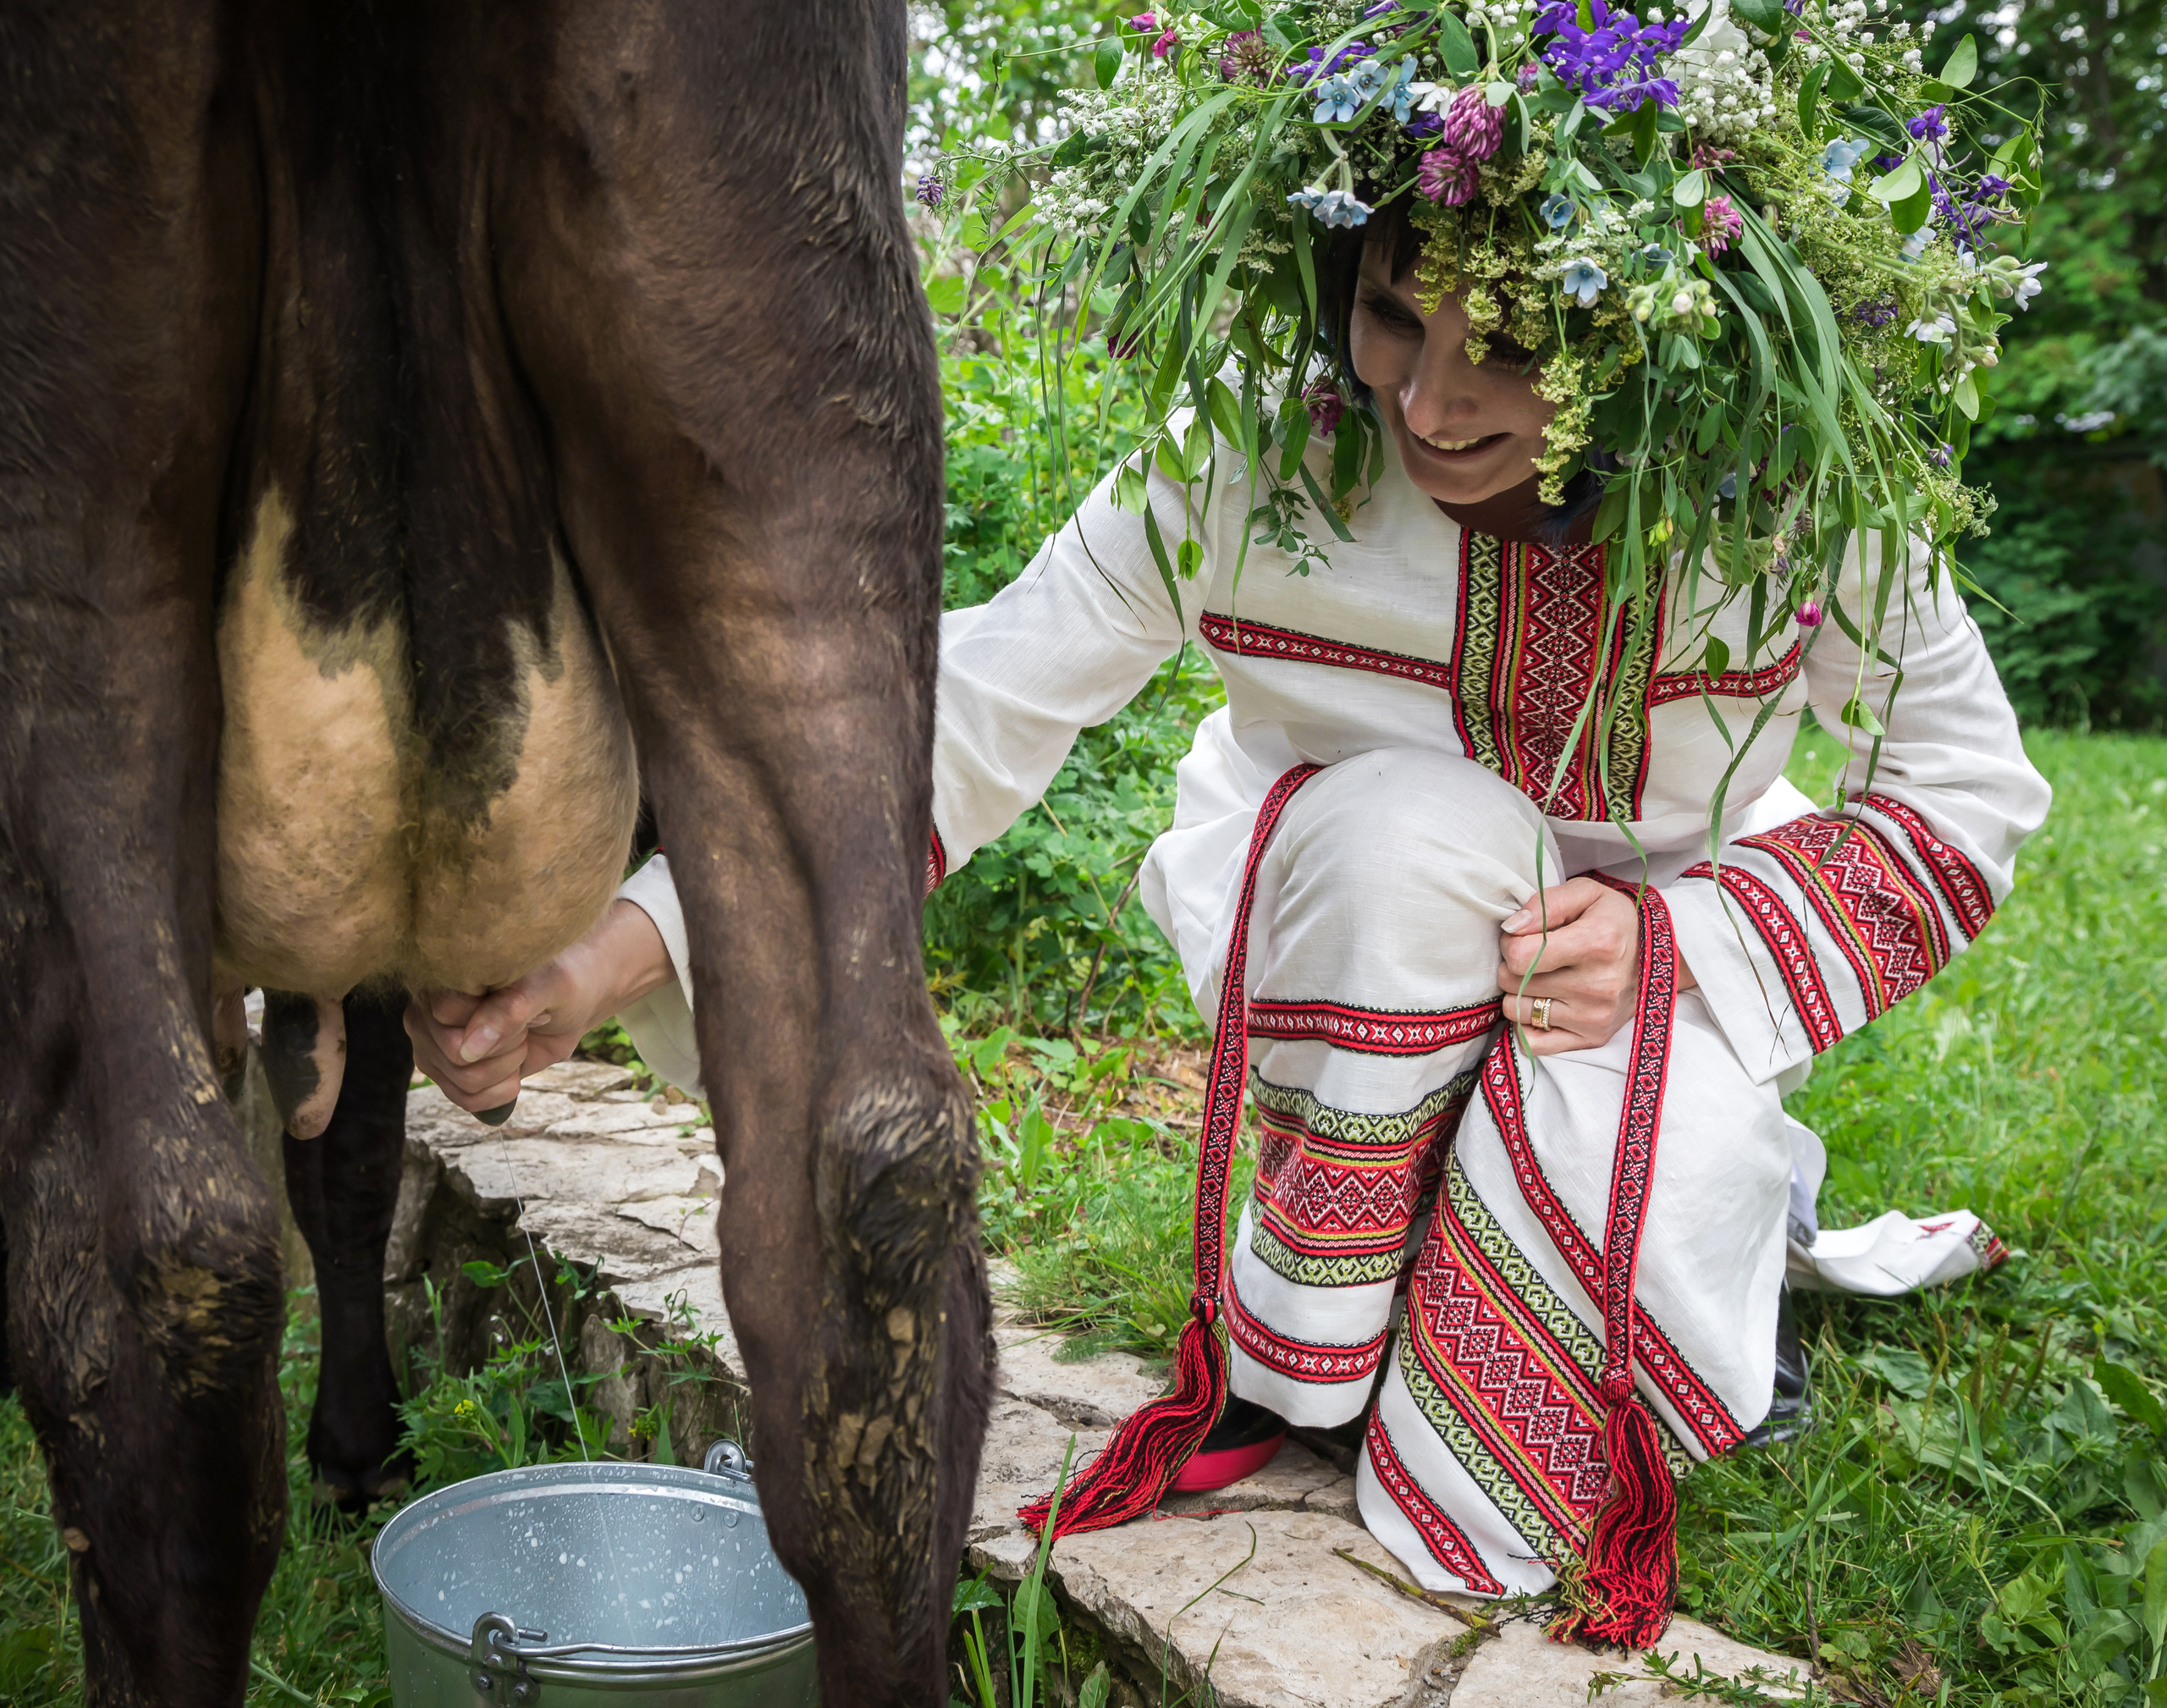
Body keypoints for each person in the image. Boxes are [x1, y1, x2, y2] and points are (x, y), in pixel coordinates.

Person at [409, 211, 2048, 1615]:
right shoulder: (1261, 456)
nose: (1428, 395)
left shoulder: (1779, 487)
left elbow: (1970, 782)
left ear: (1651, 322)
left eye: (1513, 340)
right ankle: (1317, 1353)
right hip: (1353, 914)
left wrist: (1672, 941)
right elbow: (969, 701)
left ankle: (1711, 1197)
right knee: (1413, 829)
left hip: (1634, 970)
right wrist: (620, 946)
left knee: (1570, 1388)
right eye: (1394, 315)